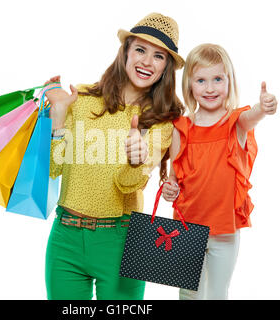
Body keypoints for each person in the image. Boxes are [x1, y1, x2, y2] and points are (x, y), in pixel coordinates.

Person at [42, 13, 185, 300]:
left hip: (123, 240)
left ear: (166, 67)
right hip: (66, 238)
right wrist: (57, 119)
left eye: (158, 56)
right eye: (140, 50)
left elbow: (127, 185)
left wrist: (137, 158)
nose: (146, 61)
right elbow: (53, 169)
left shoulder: (162, 122)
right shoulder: (80, 98)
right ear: (126, 52)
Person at [162, 43, 277, 300]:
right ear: (189, 84)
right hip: (186, 226)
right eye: (201, 80)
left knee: (216, 294)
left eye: (217, 79)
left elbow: (253, 117)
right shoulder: (181, 128)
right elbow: (173, 179)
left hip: (225, 230)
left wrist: (263, 107)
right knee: (188, 293)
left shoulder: (236, 123)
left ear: (229, 81)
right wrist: (170, 189)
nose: (210, 88)